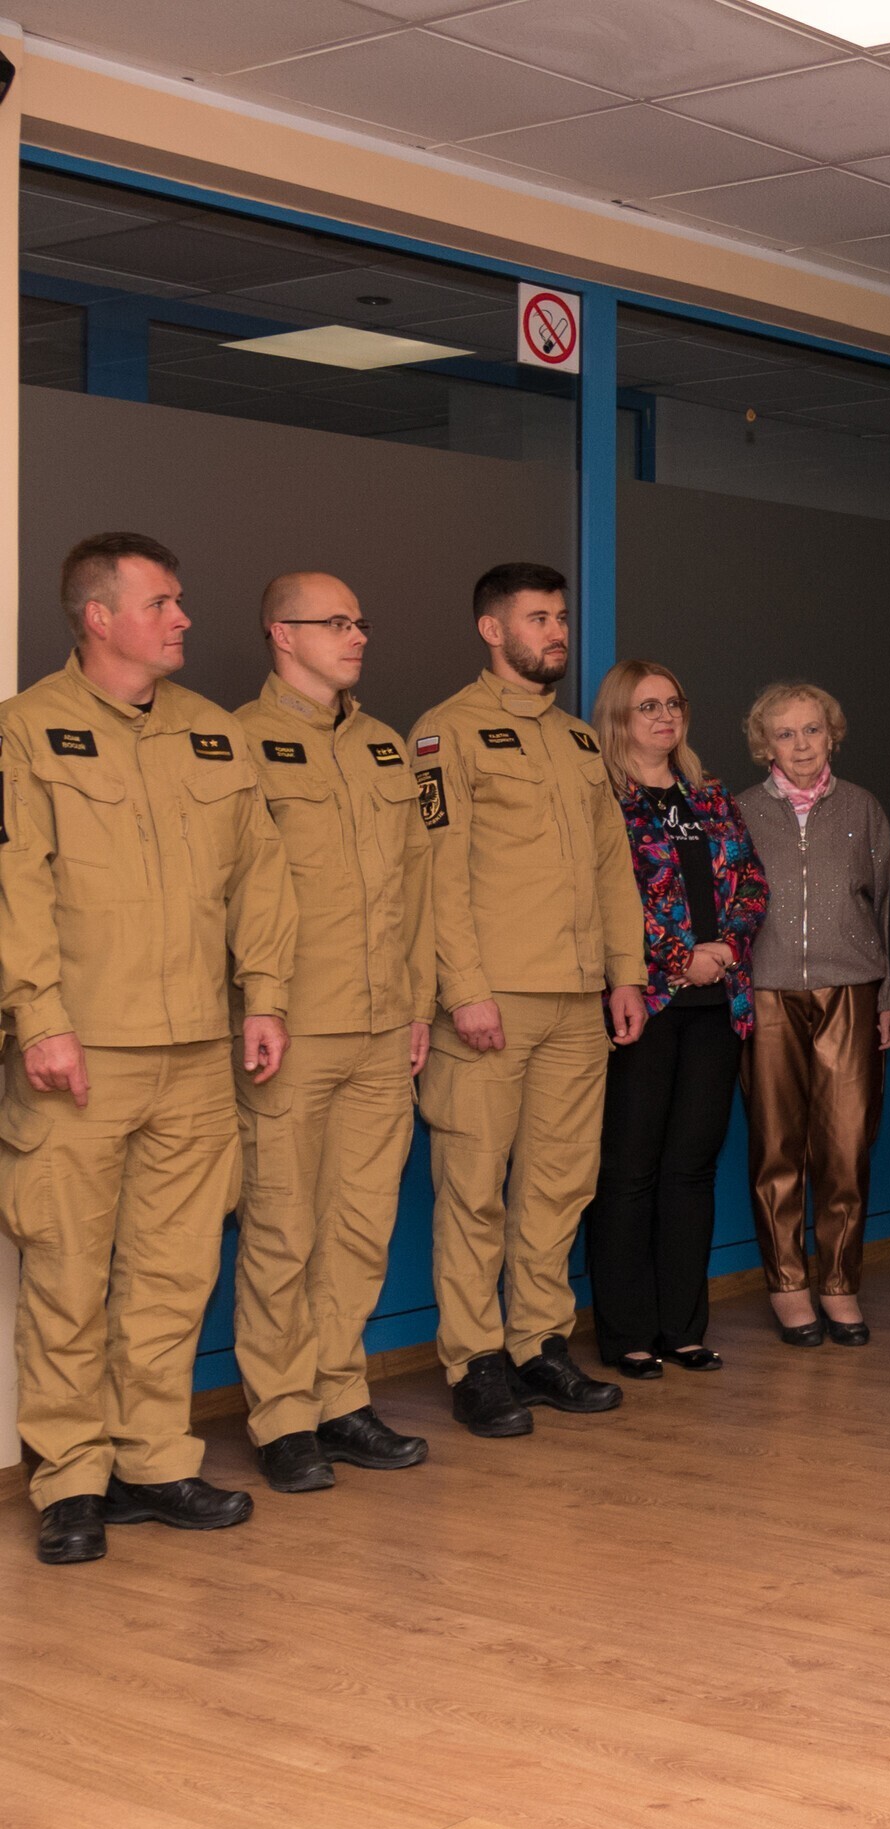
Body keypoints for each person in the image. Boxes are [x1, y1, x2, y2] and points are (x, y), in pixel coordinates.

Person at [0, 533, 296, 1566]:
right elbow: (15, 885)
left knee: (173, 1271)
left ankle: (154, 1461)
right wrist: (40, 1017)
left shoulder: (213, 733)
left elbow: (260, 877)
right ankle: (71, 1480)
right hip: (81, 1051)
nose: (182, 618)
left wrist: (264, 997)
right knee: (68, 1274)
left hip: (197, 1051)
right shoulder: (26, 732)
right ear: (99, 616)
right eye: (161, 602)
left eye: (178, 600)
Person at [410, 563, 647, 1438]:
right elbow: (436, 875)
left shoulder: (579, 743)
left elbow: (611, 869)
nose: (557, 633)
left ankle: (540, 1345)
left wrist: (626, 974)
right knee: (474, 1189)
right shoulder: (445, 733)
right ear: (492, 629)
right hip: (492, 1003)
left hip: (577, 1002)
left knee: (559, 1185)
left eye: (561, 618)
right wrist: (464, 990)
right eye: (539, 619)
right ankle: (475, 1362)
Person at [230, 571, 435, 1496]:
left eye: (361, 621)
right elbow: (234, 893)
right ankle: (282, 1416)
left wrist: (419, 1005)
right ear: (283, 633)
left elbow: (418, 888)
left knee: (360, 1226)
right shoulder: (236, 741)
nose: (358, 636)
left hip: (384, 1027)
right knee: (282, 1228)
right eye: (336, 622)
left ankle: (340, 1397)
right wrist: (257, 1005)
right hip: (293, 1030)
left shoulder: (386, 745)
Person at [586, 660, 768, 1380]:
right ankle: (628, 1333)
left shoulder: (709, 797)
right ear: (618, 718)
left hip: (717, 1004)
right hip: (644, 1004)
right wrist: (676, 957)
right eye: (647, 707)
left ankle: (683, 1329)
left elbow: (751, 884)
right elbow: (606, 897)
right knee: (629, 1170)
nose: (665, 717)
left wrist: (722, 951)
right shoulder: (604, 799)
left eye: (673, 704)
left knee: (691, 1168)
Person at [735, 682, 890, 1348]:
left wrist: (889, 1000)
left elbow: (888, 908)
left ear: (832, 734)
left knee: (846, 1149)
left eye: (812, 730)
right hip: (767, 994)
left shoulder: (863, 808)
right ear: (764, 744)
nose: (801, 745)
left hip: (851, 991)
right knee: (776, 1149)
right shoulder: (739, 813)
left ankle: (839, 1284)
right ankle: (788, 1285)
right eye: (785, 733)